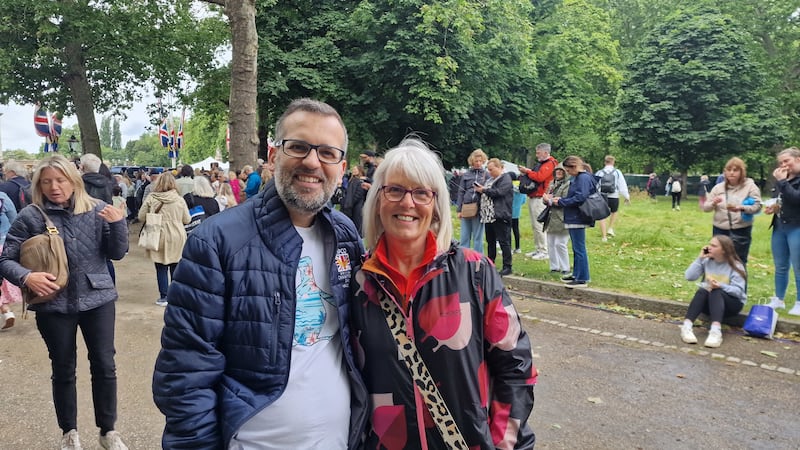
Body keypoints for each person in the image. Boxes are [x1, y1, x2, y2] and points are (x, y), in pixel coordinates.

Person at [152, 98, 367, 448]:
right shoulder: (216, 242)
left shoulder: (345, 236)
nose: (312, 161)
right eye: (298, 147)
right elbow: (185, 372)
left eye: (327, 153)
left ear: (342, 168)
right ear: (273, 155)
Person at [350, 137, 536, 449]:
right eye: (394, 190)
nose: (407, 203)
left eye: (421, 192)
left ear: (436, 206)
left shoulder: (475, 272)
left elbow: (516, 369)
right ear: (378, 200)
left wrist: (502, 444)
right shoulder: (358, 284)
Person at [0, 154, 128, 450]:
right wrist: (26, 277)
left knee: (105, 365)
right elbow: (6, 258)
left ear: (74, 180)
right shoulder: (30, 216)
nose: (54, 187)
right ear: (39, 185)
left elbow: (117, 253)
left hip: (97, 298)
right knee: (63, 367)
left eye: (60, 180)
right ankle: (69, 432)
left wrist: (119, 224)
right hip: (52, 303)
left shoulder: (97, 209)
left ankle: (108, 430)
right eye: (46, 182)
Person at [679, 235, 746, 348]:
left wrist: (720, 286)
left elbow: (739, 292)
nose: (709, 247)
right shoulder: (706, 261)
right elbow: (689, 276)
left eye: (714, 246)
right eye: (709, 244)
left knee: (716, 291)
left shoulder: (736, 266)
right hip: (710, 304)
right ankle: (687, 326)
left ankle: (715, 331)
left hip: (731, 305)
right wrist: (699, 258)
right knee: (703, 290)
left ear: (724, 250)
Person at [138, 171, 190, 306]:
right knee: (176, 266)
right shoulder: (179, 199)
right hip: (177, 235)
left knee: (160, 266)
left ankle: (164, 296)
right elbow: (187, 219)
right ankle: (176, 294)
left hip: (158, 234)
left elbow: (141, 216)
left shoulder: (151, 198)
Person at [544, 155, 595, 288]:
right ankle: (577, 274)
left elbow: (580, 197)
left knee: (579, 248)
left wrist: (561, 201)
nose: (568, 173)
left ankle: (583, 277)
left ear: (574, 167)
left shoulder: (583, 178)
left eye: (568, 170)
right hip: (573, 216)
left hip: (578, 216)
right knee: (576, 247)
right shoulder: (578, 177)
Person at [701, 157, 761, 265]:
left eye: (735, 170)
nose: (731, 173)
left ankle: (738, 281)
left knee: (738, 261)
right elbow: (706, 208)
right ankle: (718, 281)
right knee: (717, 260)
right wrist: (713, 203)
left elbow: (758, 206)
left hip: (741, 229)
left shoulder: (750, 187)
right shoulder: (718, 188)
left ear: (742, 172)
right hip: (720, 229)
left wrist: (742, 208)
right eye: (729, 170)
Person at [765, 147, 800, 315]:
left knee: (798, 266)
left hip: (797, 226)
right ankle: (779, 299)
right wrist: (774, 207)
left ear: (798, 160)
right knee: (780, 265)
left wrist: (782, 182)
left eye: (787, 161)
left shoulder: (785, 181)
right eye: (781, 163)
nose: (784, 165)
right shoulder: (783, 180)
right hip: (780, 226)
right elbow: (783, 199)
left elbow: (796, 198)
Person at [518, 143, 558, 260]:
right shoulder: (542, 164)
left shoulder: (550, 164)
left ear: (546, 152)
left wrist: (527, 171)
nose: (537, 155)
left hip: (541, 197)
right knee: (535, 224)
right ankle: (538, 248)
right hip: (534, 196)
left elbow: (540, 177)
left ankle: (544, 250)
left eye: (538, 153)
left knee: (539, 224)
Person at [475, 158, 514, 275]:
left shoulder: (506, 178)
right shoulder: (490, 179)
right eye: (488, 169)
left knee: (504, 241)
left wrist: (484, 190)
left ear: (499, 167)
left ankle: (507, 266)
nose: (489, 172)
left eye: (491, 169)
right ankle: (490, 262)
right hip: (488, 215)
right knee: (490, 241)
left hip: (500, 214)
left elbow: (499, 192)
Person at [456, 148, 488, 253]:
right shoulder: (466, 175)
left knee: (478, 236)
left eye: (480, 161)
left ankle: (478, 258)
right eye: (476, 161)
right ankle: (463, 257)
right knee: (464, 235)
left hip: (479, 207)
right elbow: (461, 192)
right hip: (466, 207)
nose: (478, 163)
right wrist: (459, 210)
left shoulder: (486, 174)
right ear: (472, 162)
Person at [594, 155, 630, 242]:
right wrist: (627, 197)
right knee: (614, 211)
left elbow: (594, 184)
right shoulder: (617, 172)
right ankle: (610, 228)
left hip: (602, 195)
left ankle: (604, 237)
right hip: (614, 195)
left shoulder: (599, 172)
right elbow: (622, 185)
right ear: (613, 162)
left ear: (605, 162)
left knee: (602, 216)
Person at [543, 163, 571, 275]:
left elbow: (564, 200)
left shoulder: (568, 184)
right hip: (551, 216)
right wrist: (546, 200)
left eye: (561, 171)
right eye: (557, 171)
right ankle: (554, 266)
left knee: (560, 243)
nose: (558, 173)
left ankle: (565, 267)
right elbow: (548, 198)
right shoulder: (552, 184)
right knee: (550, 243)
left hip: (562, 217)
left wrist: (550, 200)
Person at [0, 191, 18, 329]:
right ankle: (6, 310)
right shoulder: (3, 197)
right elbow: (14, 220)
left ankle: (6, 310)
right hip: (3, 244)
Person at [341, 164, 367, 234]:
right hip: (350, 205)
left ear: (360, 171)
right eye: (353, 169)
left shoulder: (360, 181)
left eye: (356, 169)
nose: (354, 170)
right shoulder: (351, 180)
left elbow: (359, 194)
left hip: (357, 206)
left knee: (356, 225)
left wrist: (351, 202)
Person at [510, 172, 527, 254]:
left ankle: (509, 247)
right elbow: (524, 200)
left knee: (507, 231)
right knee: (516, 229)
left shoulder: (509, 186)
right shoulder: (521, 187)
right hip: (517, 212)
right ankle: (518, 247)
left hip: (508, 211)